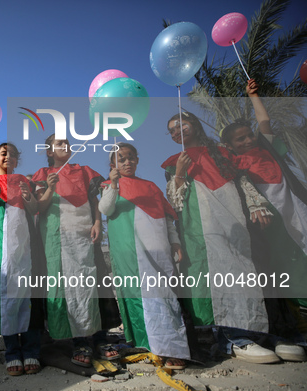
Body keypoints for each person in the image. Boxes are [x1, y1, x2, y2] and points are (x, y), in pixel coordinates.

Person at [162, 111, 295, 364]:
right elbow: (175, 203)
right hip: (203, 230)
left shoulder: (221, 151)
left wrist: (256, 205)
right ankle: (233, 340)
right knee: (219, 281)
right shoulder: (173, 162)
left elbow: (242, 180)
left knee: (253, 275)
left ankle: (268, 335)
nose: (177, 130)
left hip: (237, 223)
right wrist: (179, 172)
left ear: (195, 124)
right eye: (171, 129)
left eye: (181, 123)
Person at [219, 79, 307, 361]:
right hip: (268, 224)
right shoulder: (235, 165)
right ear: (230, 146)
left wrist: (254, 96)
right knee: (284, 269)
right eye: (240, 139)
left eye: (248, 136)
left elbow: (264, 121)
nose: (247, 140)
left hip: (294, 209)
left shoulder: (267, 149)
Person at [32, 134, 121, 368]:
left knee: (96, 282)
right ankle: (80, 342)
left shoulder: (84, 171)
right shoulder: (42, 174)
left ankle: (101, 339)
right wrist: (50, 187)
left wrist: (98, 223)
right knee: (68, 288)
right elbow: (39, 206)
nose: (66, 146)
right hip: (56, 239)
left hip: (85, 235)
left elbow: (95, 201)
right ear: (49, 151)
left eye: (68, 143)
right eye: (60, 143)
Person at [98, 143, 191, 369]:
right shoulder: (109, 186)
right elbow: (105, 209)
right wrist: (114, 183)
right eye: (121, 159)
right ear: (113, 165)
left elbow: (167, 218)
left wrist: (175, 241)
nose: (127, 162)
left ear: (138, 160)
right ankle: (147, 343)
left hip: (158, 249)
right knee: (136, 293)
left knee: (163, 293)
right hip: (128, 251)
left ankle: (171, 347)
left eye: (131, 157)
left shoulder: (151, 186)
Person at [0, 143, 42, 376]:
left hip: (25, 247)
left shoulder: (25, 181)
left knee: (27, 296)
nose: (9, 157)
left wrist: (28, 196)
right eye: (4, 153)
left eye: (13, 154)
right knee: (5, 297)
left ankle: (31, 350)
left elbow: (35, 209)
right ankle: (12, 352)